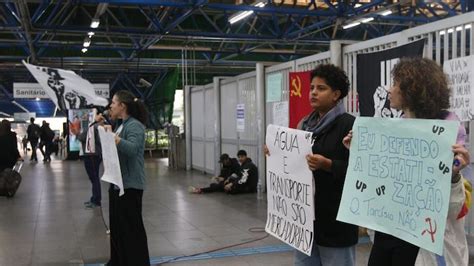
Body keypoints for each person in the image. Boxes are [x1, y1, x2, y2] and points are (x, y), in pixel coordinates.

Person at [343, 58, 471, 266]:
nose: (389, 89)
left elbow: (454, 208)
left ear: (412, 89)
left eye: (395, 83)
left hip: (421, 237)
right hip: (388, 232)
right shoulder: (392, 129)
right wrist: (358, 151)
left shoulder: (446, 133)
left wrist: (454, 175)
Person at [291, 64, 357, 266]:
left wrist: (328, 165)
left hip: (336, 222)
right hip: (306, 221)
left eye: (321, 88)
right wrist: (276, 153)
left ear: (336, 94)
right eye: (312, 88)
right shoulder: (304, 125)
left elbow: (359, 172)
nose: (313, 93)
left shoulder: (349, 125)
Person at [105, 90, 150, 266]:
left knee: (132, 229)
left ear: (122, 106)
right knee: (118, 229)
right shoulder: (121, 125)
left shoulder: (135, 126)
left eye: (113, 103)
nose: (111, 106)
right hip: (118, 184)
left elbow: (132, 149)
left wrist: (115, 140)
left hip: (131, 185)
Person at [78, 112, 105, 209]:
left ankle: (96, 200)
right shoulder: (94, 127)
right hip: (93, 155)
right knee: (94, 178)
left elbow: (81, 137)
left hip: (92, 155)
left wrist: (79, 133)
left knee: (94, 178)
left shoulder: (95, 127)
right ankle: (94, 198)